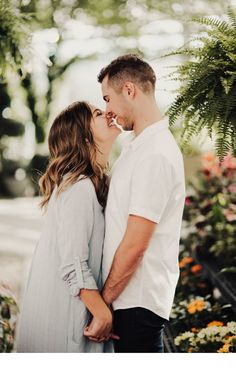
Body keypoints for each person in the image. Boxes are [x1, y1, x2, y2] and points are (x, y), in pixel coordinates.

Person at [85, 54, 186, 352]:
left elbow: (135, 245)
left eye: (108, 99)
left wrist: (104, 304)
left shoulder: (155, 154)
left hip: (136, 303)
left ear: (129, 90)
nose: (108, 111)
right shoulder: (136, 147)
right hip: (126, 300)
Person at [17, 101, 120, 352]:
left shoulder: (93, 183)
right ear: (84, 137)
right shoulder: (79, 188)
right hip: (65, 319)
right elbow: (73, 263)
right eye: (97, 113)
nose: (107, 113)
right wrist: (103, 314)